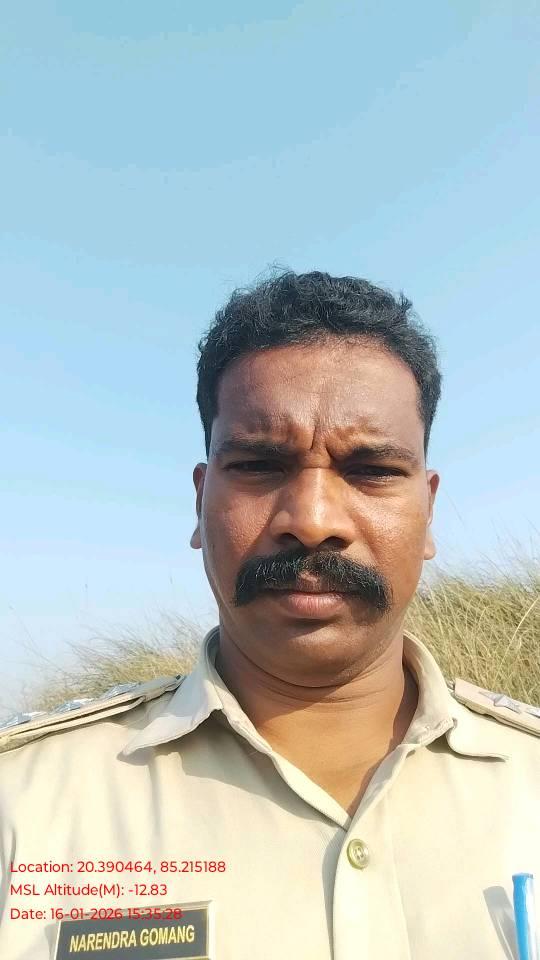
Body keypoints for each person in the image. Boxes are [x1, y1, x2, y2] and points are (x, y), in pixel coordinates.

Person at [0, 270, 538, 960]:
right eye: (258, 465)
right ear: (200, 503)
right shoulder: (24, 808)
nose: (312, 521)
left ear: (428, 511)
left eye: (371, 470)